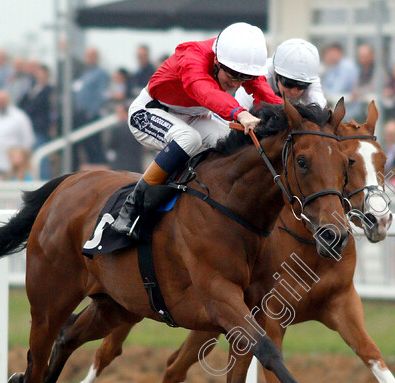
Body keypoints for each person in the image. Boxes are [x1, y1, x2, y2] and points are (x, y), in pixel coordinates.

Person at [112, 22, 282, 240]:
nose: (237, 82)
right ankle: (131, 208)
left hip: (193, 117)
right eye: (232, 74)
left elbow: (265, 92)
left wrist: (300, 116)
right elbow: (205, 92)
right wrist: (240, 113)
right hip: (147, 112)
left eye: (244, 77)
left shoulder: (237, 63)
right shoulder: (192, 55)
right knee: (189, 139)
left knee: (231, 143)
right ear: (217, 60)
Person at [236, 38, 326, 108]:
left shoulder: (309, 77)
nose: (294, 91)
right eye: (289, 84)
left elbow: (318, 107)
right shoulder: (258, 77)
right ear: (275, 74)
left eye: (302, 86)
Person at [0, 90, 35, 176]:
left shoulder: (19, 116)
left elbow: (28, 140)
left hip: (9, 166)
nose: (0, 103)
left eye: (3, 100)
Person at [72, 47, 110, 166]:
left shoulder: (101, 73)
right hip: (80, 114)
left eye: (91, 56)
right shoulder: (84, 73)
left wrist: (91, 112)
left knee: (94, 147)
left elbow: (101, 95)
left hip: (91, 116)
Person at [19, 64, 54, 179]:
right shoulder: (32, 89)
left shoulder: (49, 90)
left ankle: (43, 180)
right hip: (29, 129)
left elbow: (37, 107)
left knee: (41, 157)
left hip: (40, 128)